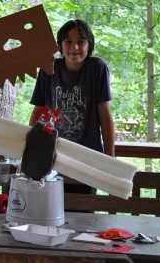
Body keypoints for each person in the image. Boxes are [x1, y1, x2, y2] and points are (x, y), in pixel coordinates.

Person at [29, 19, 115, 194]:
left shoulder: (96, 68)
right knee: (51, 209)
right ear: (60, 45)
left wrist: (110, 157)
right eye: (68, 41)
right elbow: (38, 113)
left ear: (89, 45)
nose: (74, 47)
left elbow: (105, 117)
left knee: (84, 211)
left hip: (87, 158)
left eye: (80, 42)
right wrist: (28, 152)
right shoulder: (49, 69)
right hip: (52, 156)